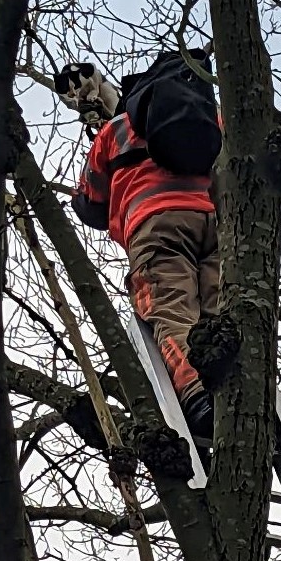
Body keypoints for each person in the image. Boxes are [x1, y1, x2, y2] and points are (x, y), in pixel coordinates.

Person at [65, 57, 219, 440]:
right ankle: (240, 397)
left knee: (172, 311)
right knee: (223, 316)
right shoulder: (215, 117)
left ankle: (198, 396)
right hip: (219, 225)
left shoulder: (118, 128)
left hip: (156, 226)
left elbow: (89, 202)